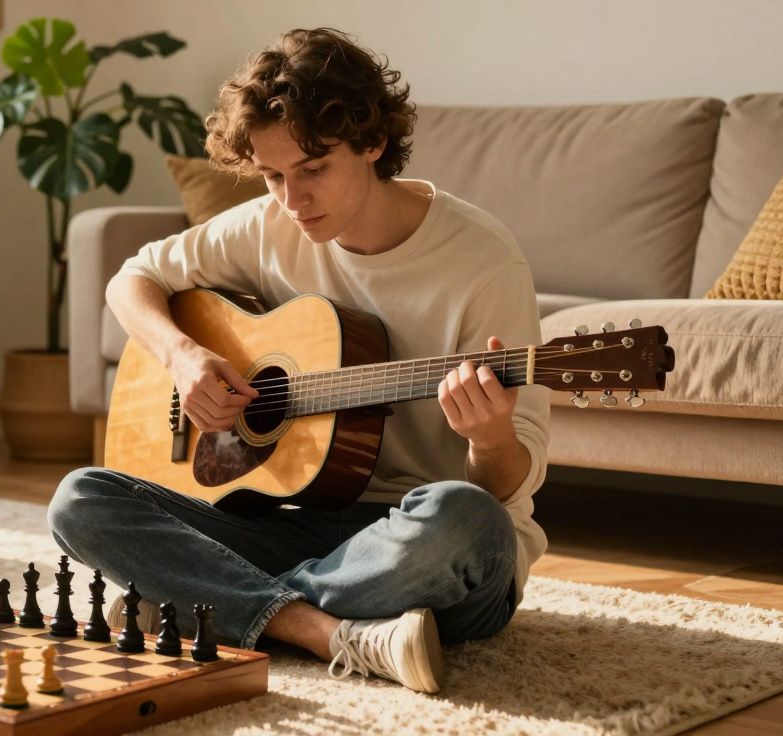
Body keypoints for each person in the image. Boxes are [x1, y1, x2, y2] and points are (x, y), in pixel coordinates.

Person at [47, 27, 549, 694]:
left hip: (414, 542)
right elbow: (129, 280)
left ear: (372, 143)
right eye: (273, 175)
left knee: (468, 519)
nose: (292, 200)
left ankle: (212, 602)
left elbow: (509, 490)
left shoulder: (483, 262)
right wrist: (184, 356)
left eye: (313, 170)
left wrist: (488, 436)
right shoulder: (269, 225)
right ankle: (323, 631)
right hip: (296, 525)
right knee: (80, 498)